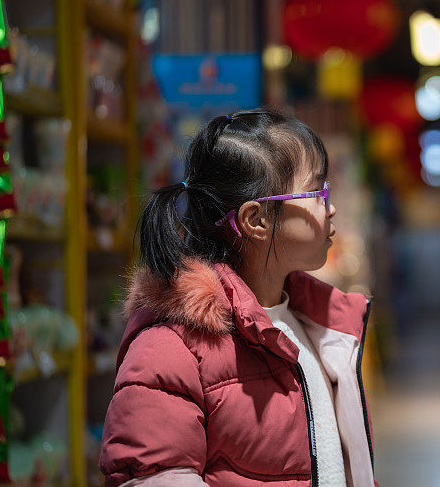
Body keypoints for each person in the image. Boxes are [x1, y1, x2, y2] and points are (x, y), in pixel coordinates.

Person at [99, 109, 376, 487]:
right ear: (256, 220)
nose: (331, 207)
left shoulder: (313, 318)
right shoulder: (169, 347)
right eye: (317, 191)